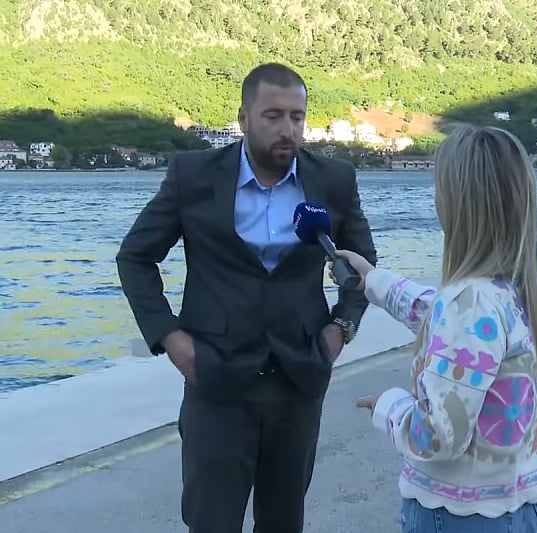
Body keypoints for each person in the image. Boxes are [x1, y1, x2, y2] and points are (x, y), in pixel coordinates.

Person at [115, 62, 377, 533]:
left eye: (297, 117)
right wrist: (171, 339)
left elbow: (362, 266)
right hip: (215, 376)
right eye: (273, 116)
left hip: (300, 376)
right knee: (211, 520)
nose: (288, 129)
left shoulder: (334, 180)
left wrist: (341, 330)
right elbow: (135, 258)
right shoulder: (193, 176)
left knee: (283, 522)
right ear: (243, 119)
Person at [332, 125, 537, 532]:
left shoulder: (468, 303)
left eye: (439, 187)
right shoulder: (530, 287)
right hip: (527, 510)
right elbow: (458, 327)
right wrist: (374, 281)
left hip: (460, 516)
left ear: (459, 204)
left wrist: (390, 406)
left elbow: (438, 437)